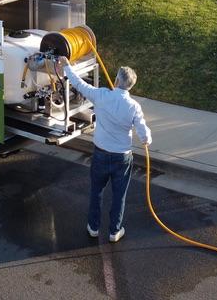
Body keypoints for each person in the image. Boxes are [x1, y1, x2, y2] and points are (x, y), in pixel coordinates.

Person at [55, 56, 151, 243]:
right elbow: (143, 132)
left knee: (96, 191)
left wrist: (66, 66)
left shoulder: (101, 95)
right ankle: (115, 231)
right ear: (131, 86)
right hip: (122, 159)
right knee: (119, 196)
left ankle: (93, 227)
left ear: (116, 80)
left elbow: (79, 84)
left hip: (100, 154)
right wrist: (147, 139)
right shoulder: (134, 107)